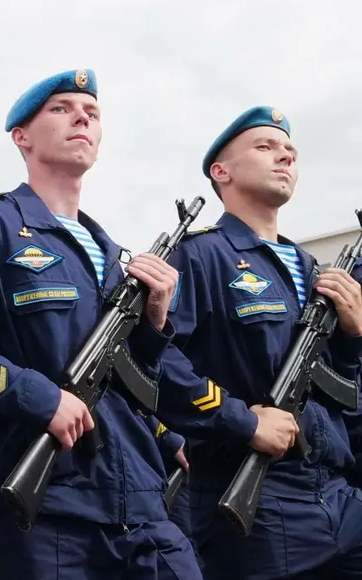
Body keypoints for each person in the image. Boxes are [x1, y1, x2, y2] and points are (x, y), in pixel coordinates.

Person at [0, 70, 202, 579]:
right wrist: (34, 396)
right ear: (21, 136)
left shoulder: (113, 257)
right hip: (42, 513)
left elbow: (135, 383)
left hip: (140, 502)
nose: (82, 117)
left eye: (92, 112)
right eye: (61, 108)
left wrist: (153, 325)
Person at [155, 106, 362, 580]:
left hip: (336, 491)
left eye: (290, 150)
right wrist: (241, 420)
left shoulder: (312, 270)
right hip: (260, 499)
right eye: (265, 147)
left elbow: (340, 386)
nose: (285, 156)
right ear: (221, 172)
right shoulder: (199, 257)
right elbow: (154, 359)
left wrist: (353, 338)